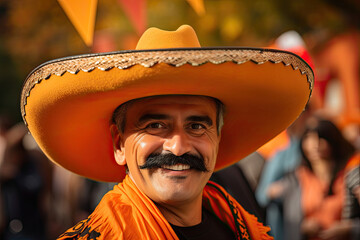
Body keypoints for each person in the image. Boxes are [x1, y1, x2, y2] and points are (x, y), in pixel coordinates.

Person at [19, 25, 313, 239]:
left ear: (217, 140)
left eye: (197, 126)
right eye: (155, 126)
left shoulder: (239, 224)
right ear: (119, 144)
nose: (178, 146)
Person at [266, 119, 356, 240]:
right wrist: (301, 227)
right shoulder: (297, 178)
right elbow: (270, 198)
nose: (315, 144)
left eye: (321, 138)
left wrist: (349, 229)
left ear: (333, 140)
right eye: (309, 138)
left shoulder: (350, 174)